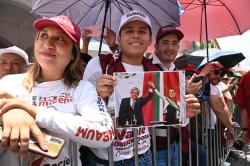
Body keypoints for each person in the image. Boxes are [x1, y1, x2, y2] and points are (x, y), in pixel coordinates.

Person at [0, 15, 113, 166]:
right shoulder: (9, 83)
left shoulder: (83, 88)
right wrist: (11, 113)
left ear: (73, 53)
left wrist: (35, 112)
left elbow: (105, 134)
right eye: (43, 36)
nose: (48, 44)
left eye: (59, 39)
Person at [234, 71, 250, 144]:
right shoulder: (247, 77)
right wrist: (245, 129)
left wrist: (245, 129)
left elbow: (243, 107)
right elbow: (244, 107)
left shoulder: (246, 77)